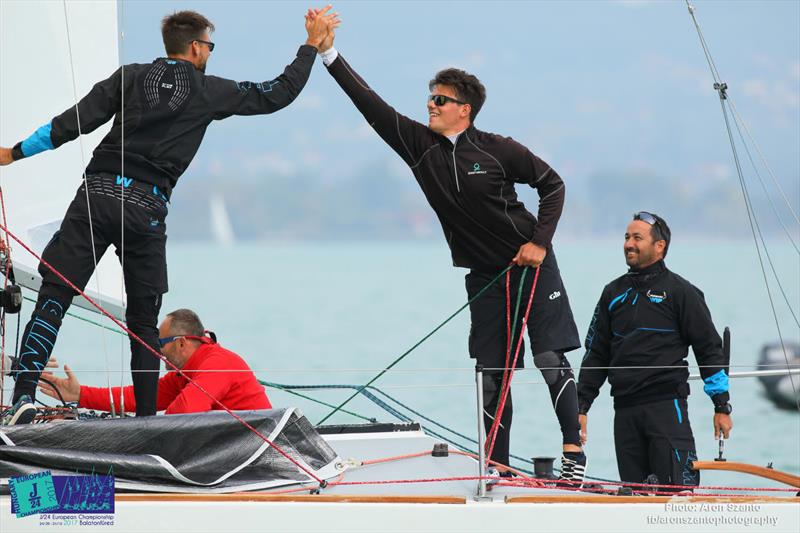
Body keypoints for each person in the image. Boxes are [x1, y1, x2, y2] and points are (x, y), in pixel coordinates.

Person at [0, 8, 338, 424]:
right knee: (142, 323)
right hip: (146, 210)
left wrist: (14, 153)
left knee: (54, 296)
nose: (210, 53)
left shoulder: (128, 76)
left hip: (97, 196)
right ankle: (144, 425)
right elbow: (277, 93)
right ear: (196, 48)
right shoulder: (209, 90)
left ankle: (23, 399)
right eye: (209, 46)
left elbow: (72, 123)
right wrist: (309, 46)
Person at [308, 14, 586, 481]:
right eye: (430, 97)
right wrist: (327, 53)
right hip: (485, 276)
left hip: (531, 266)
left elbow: (553, 185)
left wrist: (540, 242)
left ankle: (574, 454)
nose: (431, 106)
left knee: (548, 358)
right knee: (491, 371)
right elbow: (370, 104)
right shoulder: (419, 147)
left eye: (440, 100)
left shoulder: (498, 149)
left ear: (466, 109)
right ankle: (496, 465)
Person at [577, 212, 733, 491]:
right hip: (624, 410)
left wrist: (721, 406)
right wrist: (580, 406)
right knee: (634, 497)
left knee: (678, 493)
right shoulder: (612, 292)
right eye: (626, 237)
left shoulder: (682, 292)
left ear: (659, 246)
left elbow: (709, 348)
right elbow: (596, 353)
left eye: (637, 237)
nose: (628, 244)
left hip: (666, 406)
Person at [37, 309, 270, 414]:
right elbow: (140, 397)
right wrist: (79, 395)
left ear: (181, 343)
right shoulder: (185, 374)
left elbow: (184, 412)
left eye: (160, 344)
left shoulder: (217, 363)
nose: (157, 352)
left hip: (259, 464)